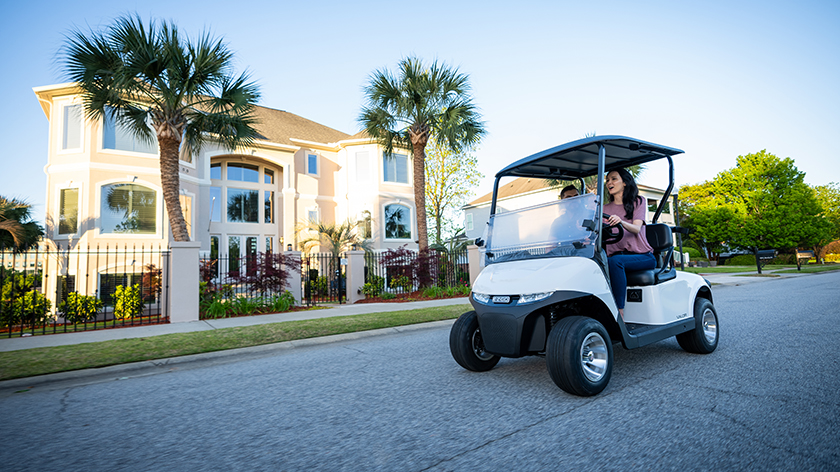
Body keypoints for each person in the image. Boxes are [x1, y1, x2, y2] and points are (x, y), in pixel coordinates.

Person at [603, 168, 655, 319]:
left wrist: (621, 222)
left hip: (642, 256)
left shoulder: (638, 201)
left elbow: (637, 228)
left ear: (624, 182)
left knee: (615, 261)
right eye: (607, 180)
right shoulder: (604, 209)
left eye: (613, 179)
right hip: (616, 257)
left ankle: (620, 312)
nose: (609, 183)